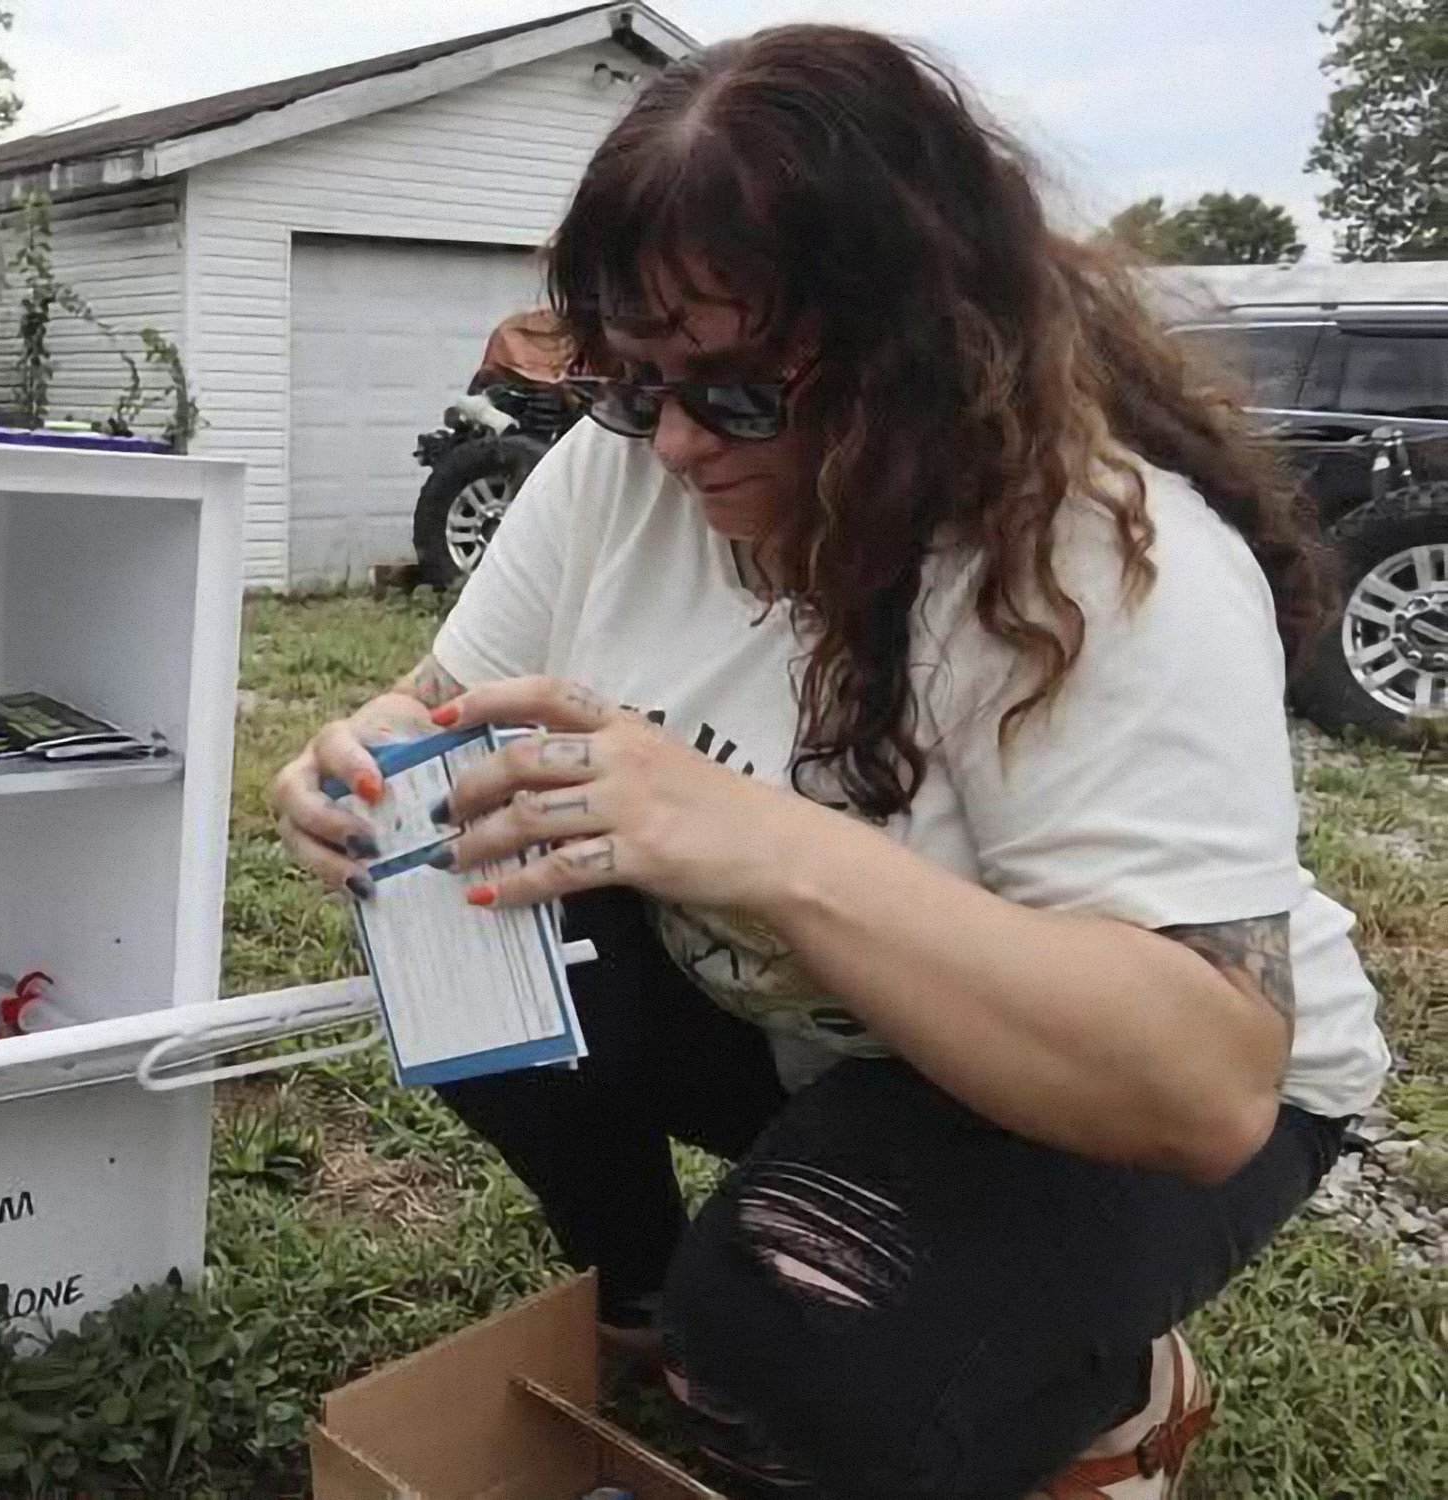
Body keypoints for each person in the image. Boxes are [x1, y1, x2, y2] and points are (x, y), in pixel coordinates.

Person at [266, 26, 1389, 1500]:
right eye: (632, 383)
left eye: (737, 392)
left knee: (793, 1327)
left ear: (925, 350)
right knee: (454, 888)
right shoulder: (620, 466)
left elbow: (1201, 1085)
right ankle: (636, 1290)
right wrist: (360, 763)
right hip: (825, 1026)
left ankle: (1107, 1392)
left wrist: (763, 842)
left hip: (1111, 1087)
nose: (675, 443)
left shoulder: (1096, 565)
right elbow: (435, 708)